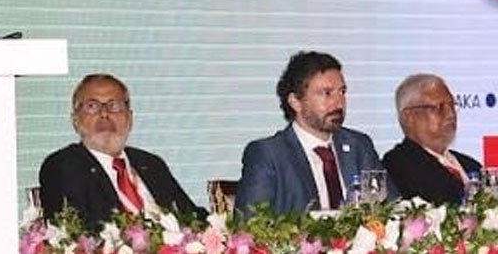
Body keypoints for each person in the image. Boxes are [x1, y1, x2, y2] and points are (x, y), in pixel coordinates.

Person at [38, 74, 206, 229]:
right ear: (75, 120)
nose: (104, 114)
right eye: (92, 106)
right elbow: (77, 233)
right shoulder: (63, 166)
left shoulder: (151, 164)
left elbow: (193, 217)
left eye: (114, 105)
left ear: (130, 118)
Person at [235, 51, 388, 215]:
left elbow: (392, 208)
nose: (339, 103)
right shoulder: (269, 155)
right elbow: (250, 223)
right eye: (327, 93)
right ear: (296, 102)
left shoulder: (359, 145)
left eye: (342, 92)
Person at [382, 74, 481, 204]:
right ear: (409, 117)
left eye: (452, 105)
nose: (451, 114)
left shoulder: (471, 165)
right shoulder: (398, 165)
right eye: (439, 107)